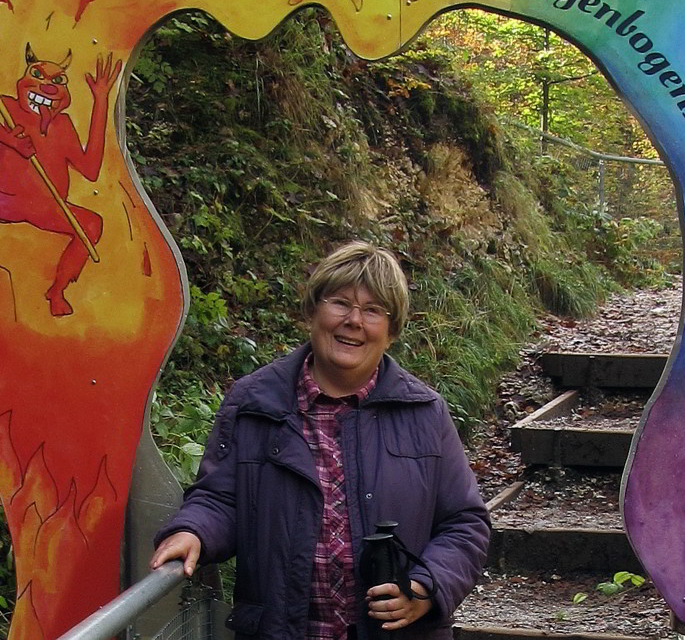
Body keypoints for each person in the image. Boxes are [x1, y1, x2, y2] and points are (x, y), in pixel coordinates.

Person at [151, 241, 490, 640]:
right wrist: (192, 531)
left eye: (373, 310)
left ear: (392, 331)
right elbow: (221, 498)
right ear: (313, 311)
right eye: (340, 303)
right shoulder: (254, 402)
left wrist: (426, 586)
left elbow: (465, 523)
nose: (354, 321)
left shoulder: (423, 412)